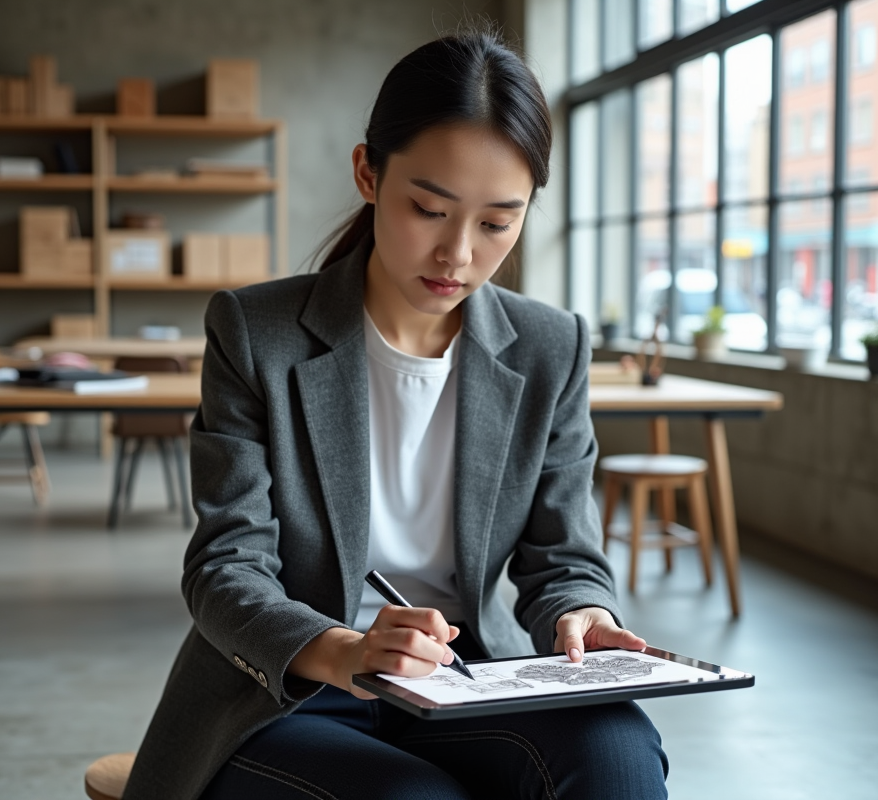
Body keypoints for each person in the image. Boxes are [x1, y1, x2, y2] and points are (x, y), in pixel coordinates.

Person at [123, 28, 669, 800]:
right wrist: (346, 650)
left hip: (469, 679)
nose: (457, 254)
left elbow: (564, 557)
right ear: (367, 173)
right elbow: (225, 569)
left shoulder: (550, 347)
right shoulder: (257, 334)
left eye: (496, 222)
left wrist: (582, 612)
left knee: (617, 755)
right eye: (429, 208)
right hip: (295, 690)